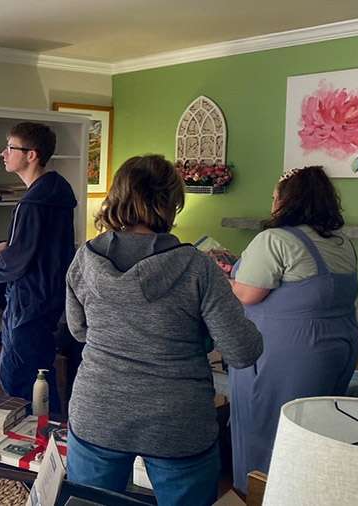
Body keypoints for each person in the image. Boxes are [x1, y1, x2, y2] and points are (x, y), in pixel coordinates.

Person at [64, 155, 262, 505]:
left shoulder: (85, 259)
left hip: (99, 409)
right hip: (177, 420)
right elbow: (242, 351)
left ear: (118, 197)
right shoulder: (198, 268)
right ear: (171, 203)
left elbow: (79, 330)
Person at [228, 166, 358, 493]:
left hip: (289, 352)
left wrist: (221, 277)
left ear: (289, 201)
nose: (272, 203)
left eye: (275, 196)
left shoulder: (274, 239)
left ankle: (262, 494)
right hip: (339, 347)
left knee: (269, 426)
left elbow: (247, 293)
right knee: (315, 431)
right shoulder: (341, 242)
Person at [0, 122, 76, 412]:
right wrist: (4, 248)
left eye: (10, 148)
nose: (3, 153)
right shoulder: (56, 194)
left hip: (28, 304)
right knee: (42, 377)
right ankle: (50, 443)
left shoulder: (33, 204)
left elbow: (19, 262)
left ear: (31, 155)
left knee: (17, 380)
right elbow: (31, 247)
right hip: (49, 300)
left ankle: (32, 445)